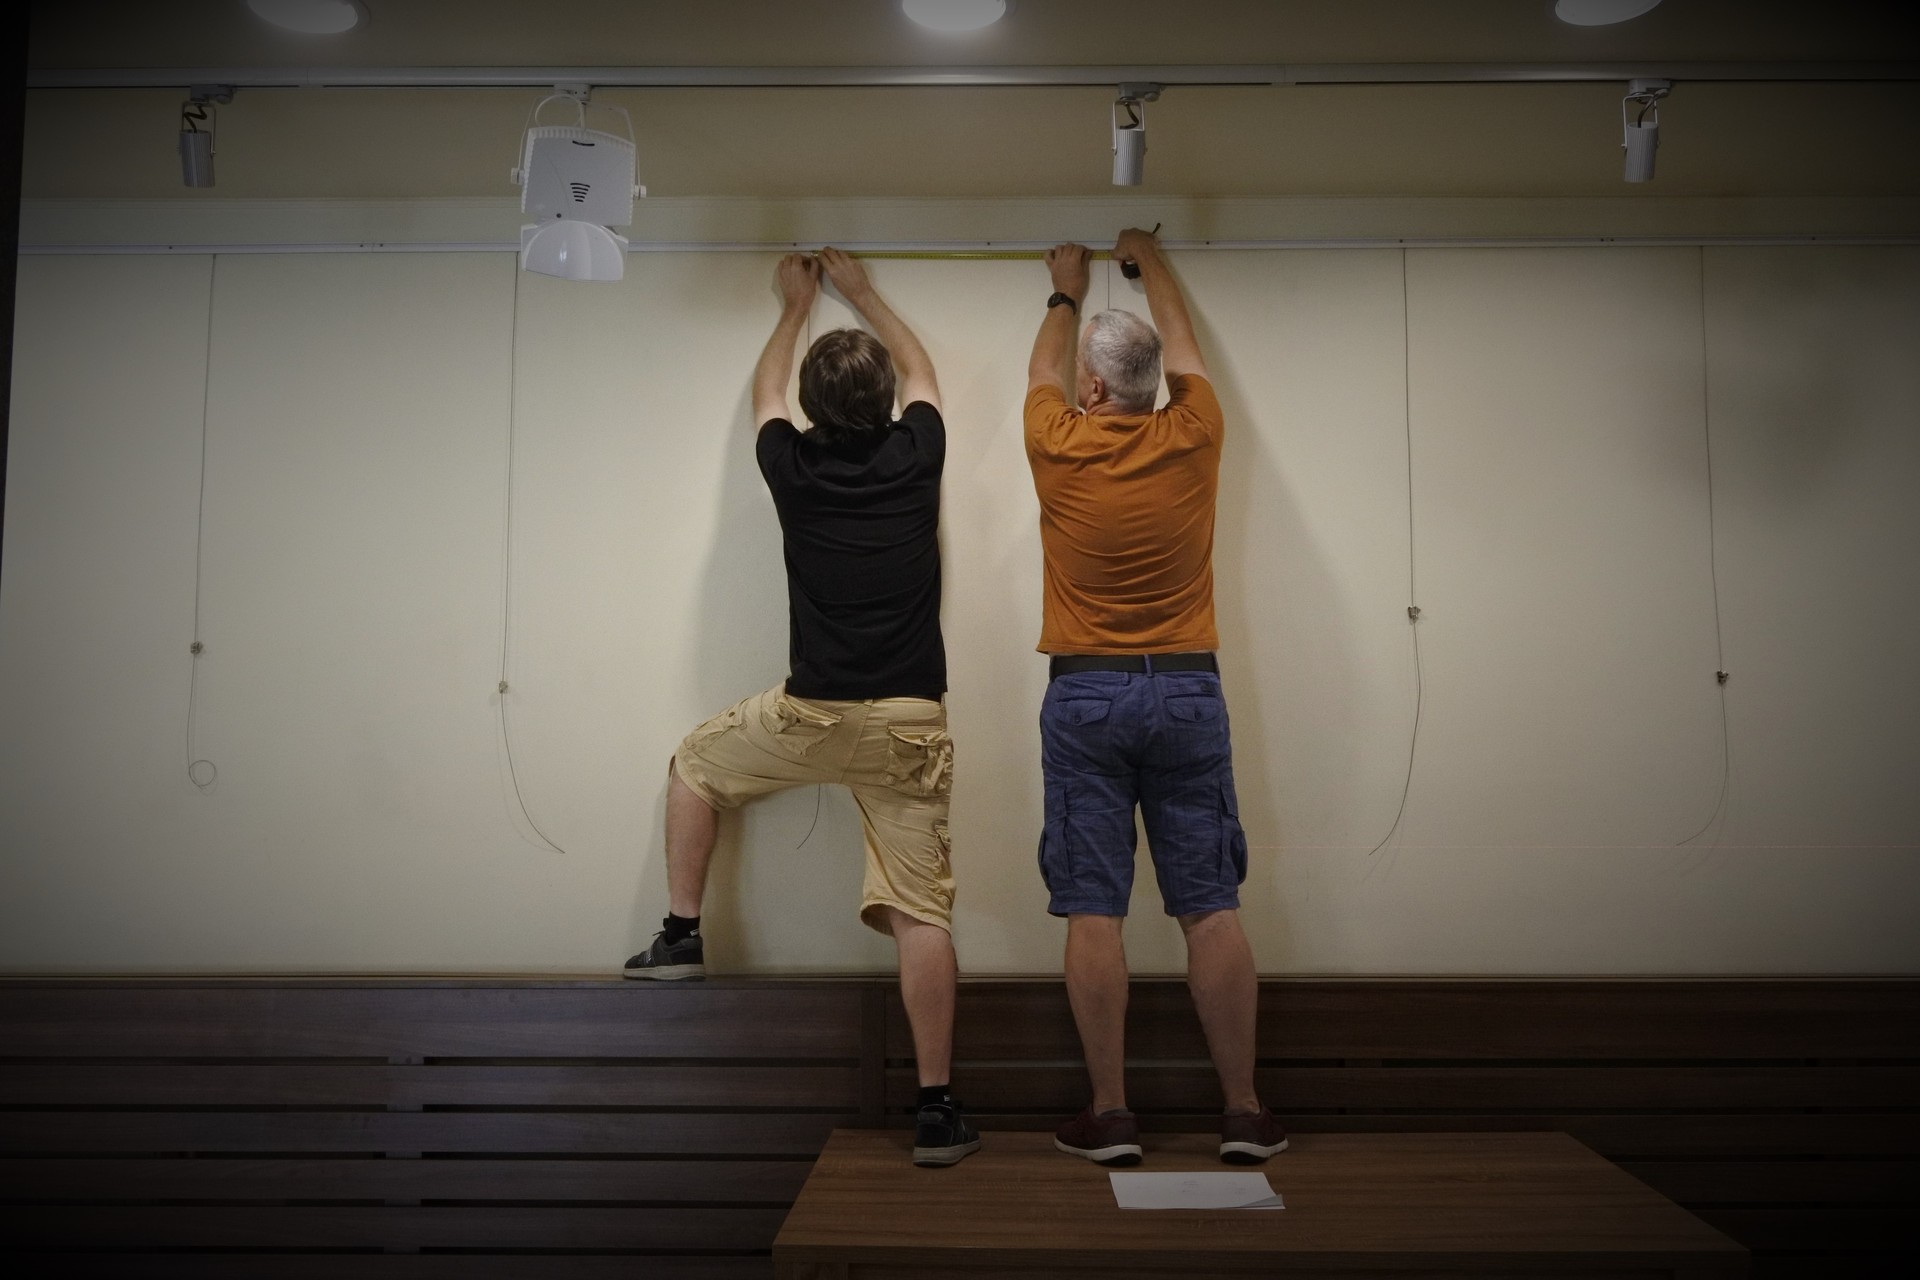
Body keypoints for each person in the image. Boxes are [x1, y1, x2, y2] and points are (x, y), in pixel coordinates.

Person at [624, 249, 979, 1168]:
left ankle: (681, 934)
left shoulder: (790, 465)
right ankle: (936, 1111)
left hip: (812, 713)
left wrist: (794, 306)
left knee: (693, 764)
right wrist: (862, 294)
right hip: (910, 722)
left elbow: (766, 392)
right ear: (885, 402)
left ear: (815, 411)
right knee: (922, 912)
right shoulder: (920, 453)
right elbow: (925, 373)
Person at [1022, 229, 1287, 1167]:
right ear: (1154, 386)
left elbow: (1040, 371)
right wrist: (1151, 262)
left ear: (1094, 392)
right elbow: (1187, 350)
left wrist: (1066, 289)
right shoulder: (1196, 430)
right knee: (1209, 904)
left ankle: (1111, 1115)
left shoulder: (1056, 441)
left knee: (1094, 907)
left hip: (1085, 694)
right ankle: (1244, 1114)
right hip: (1186, 689)